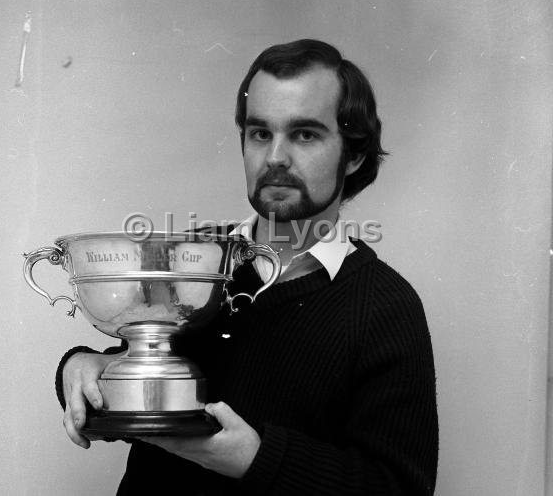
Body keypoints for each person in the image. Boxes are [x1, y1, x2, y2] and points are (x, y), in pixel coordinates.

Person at [57, 39, 439, 495]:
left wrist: (256, 460)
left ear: (354, 154)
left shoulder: (386, 306)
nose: (275, 157)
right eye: (260, 133)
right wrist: (84, 366)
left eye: (305, 134)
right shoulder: (189, 258)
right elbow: (144, 378)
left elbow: (398, 488)